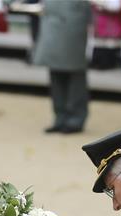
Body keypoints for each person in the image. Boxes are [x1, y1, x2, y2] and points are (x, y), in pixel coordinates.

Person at [32, 0, 93, 134]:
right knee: (56, 72)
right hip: (53, 19)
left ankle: (75, 118)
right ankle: (60, 117)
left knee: (74, 72)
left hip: (73, 18)